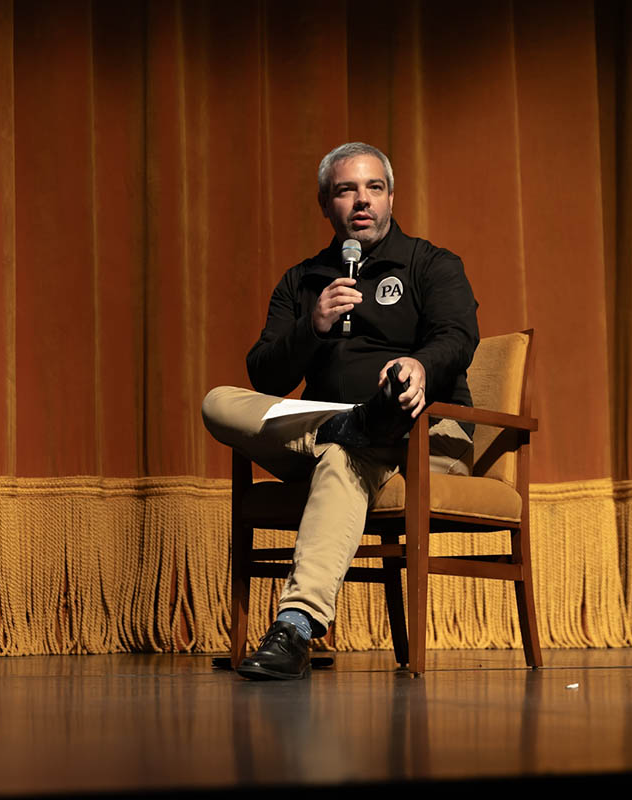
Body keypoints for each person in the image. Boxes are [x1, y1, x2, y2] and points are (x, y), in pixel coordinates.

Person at [202, 143, 479, 680]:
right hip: (326, 430)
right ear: (325, 203)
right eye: (346, 190)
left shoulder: (431, 264)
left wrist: (419, 365)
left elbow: (457, 336)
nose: (362, 201)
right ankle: (347, 425)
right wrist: (314, 325)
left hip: (419, 433)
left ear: (391, 196)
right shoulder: (302, 281)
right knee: (219, 402)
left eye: (374, 188)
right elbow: (264, 377)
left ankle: (295, 629)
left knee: (344, 458)